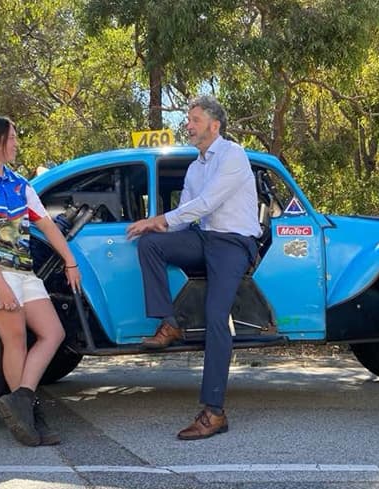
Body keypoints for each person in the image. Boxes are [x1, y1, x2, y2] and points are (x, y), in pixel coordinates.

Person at [126, 96, 261, 440]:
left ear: (214, 125)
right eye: (188, 119)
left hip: (233, 243)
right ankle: (168, 323)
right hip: (204, 238)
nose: (188, 125)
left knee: (217, 318)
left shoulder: (233, 155)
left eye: (195, 119)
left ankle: (214, 412)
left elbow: (207, 202)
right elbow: (187, 215)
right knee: (151, 244)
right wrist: (155, 227)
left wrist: (158, 217)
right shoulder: (195, 166)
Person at [0, 115, 81, 447]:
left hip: (21, 269)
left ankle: (21, 400)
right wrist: (2, 286)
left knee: (53, 333)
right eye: (13, 137)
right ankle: (27, 412)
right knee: (17, 338)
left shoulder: (18, 182)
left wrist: (70, 261)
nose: (17, 143)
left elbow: (47, 224)